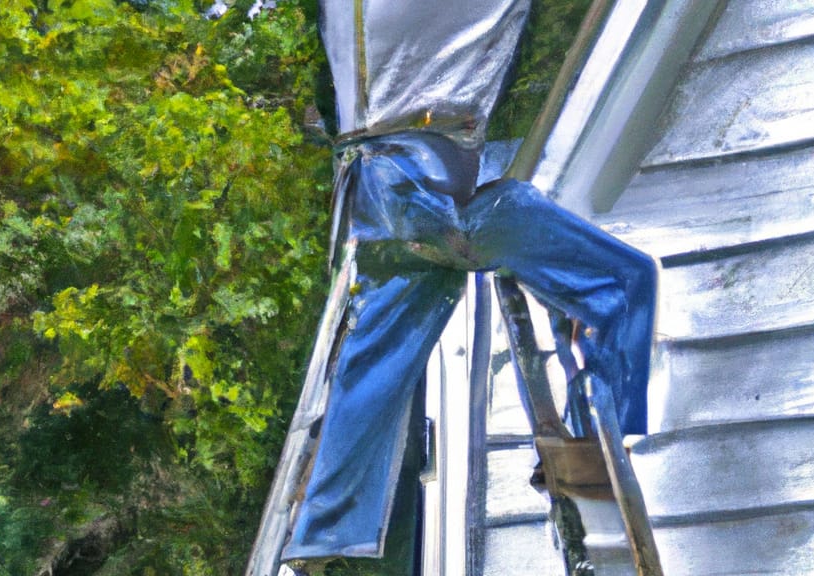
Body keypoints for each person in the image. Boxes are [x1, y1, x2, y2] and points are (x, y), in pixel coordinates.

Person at [275, 0, 657, 562]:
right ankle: (601, 452)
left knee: (377, 358)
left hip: (366, 193)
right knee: (627, 280)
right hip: (425, 189)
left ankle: (326, 529)